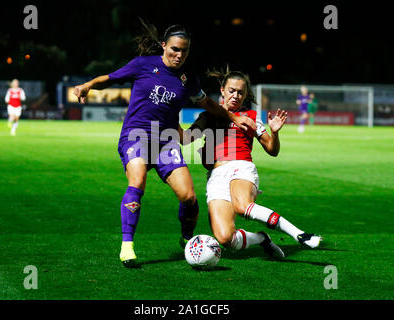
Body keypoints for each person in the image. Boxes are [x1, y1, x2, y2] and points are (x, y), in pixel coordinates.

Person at [73, 21, 256, 267]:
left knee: (189, 197)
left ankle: (188, 240)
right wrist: (88, 86)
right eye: (174, 49)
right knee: (137, 181)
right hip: (136, 135)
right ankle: (127, 246)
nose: (178, 55)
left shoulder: (187, 78)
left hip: (166, 141)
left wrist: (233, 116)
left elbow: (207, 104)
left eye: (184, 51)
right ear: (164, 46)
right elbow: (111, 78)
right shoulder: (143, 65)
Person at [180, 68, 321, 259]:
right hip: (216, 176)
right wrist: (169, 121)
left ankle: (298, 234)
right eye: (232, 90)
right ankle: (262, 239)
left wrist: (275, 133)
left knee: (242, 206)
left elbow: (272, 150)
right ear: (222, 90)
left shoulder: (252, 118)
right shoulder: (208, 116)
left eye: (240, 92)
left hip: (241, 167)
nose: (236, 95)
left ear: (245, 94)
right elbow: (187, 138)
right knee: (225, 238)